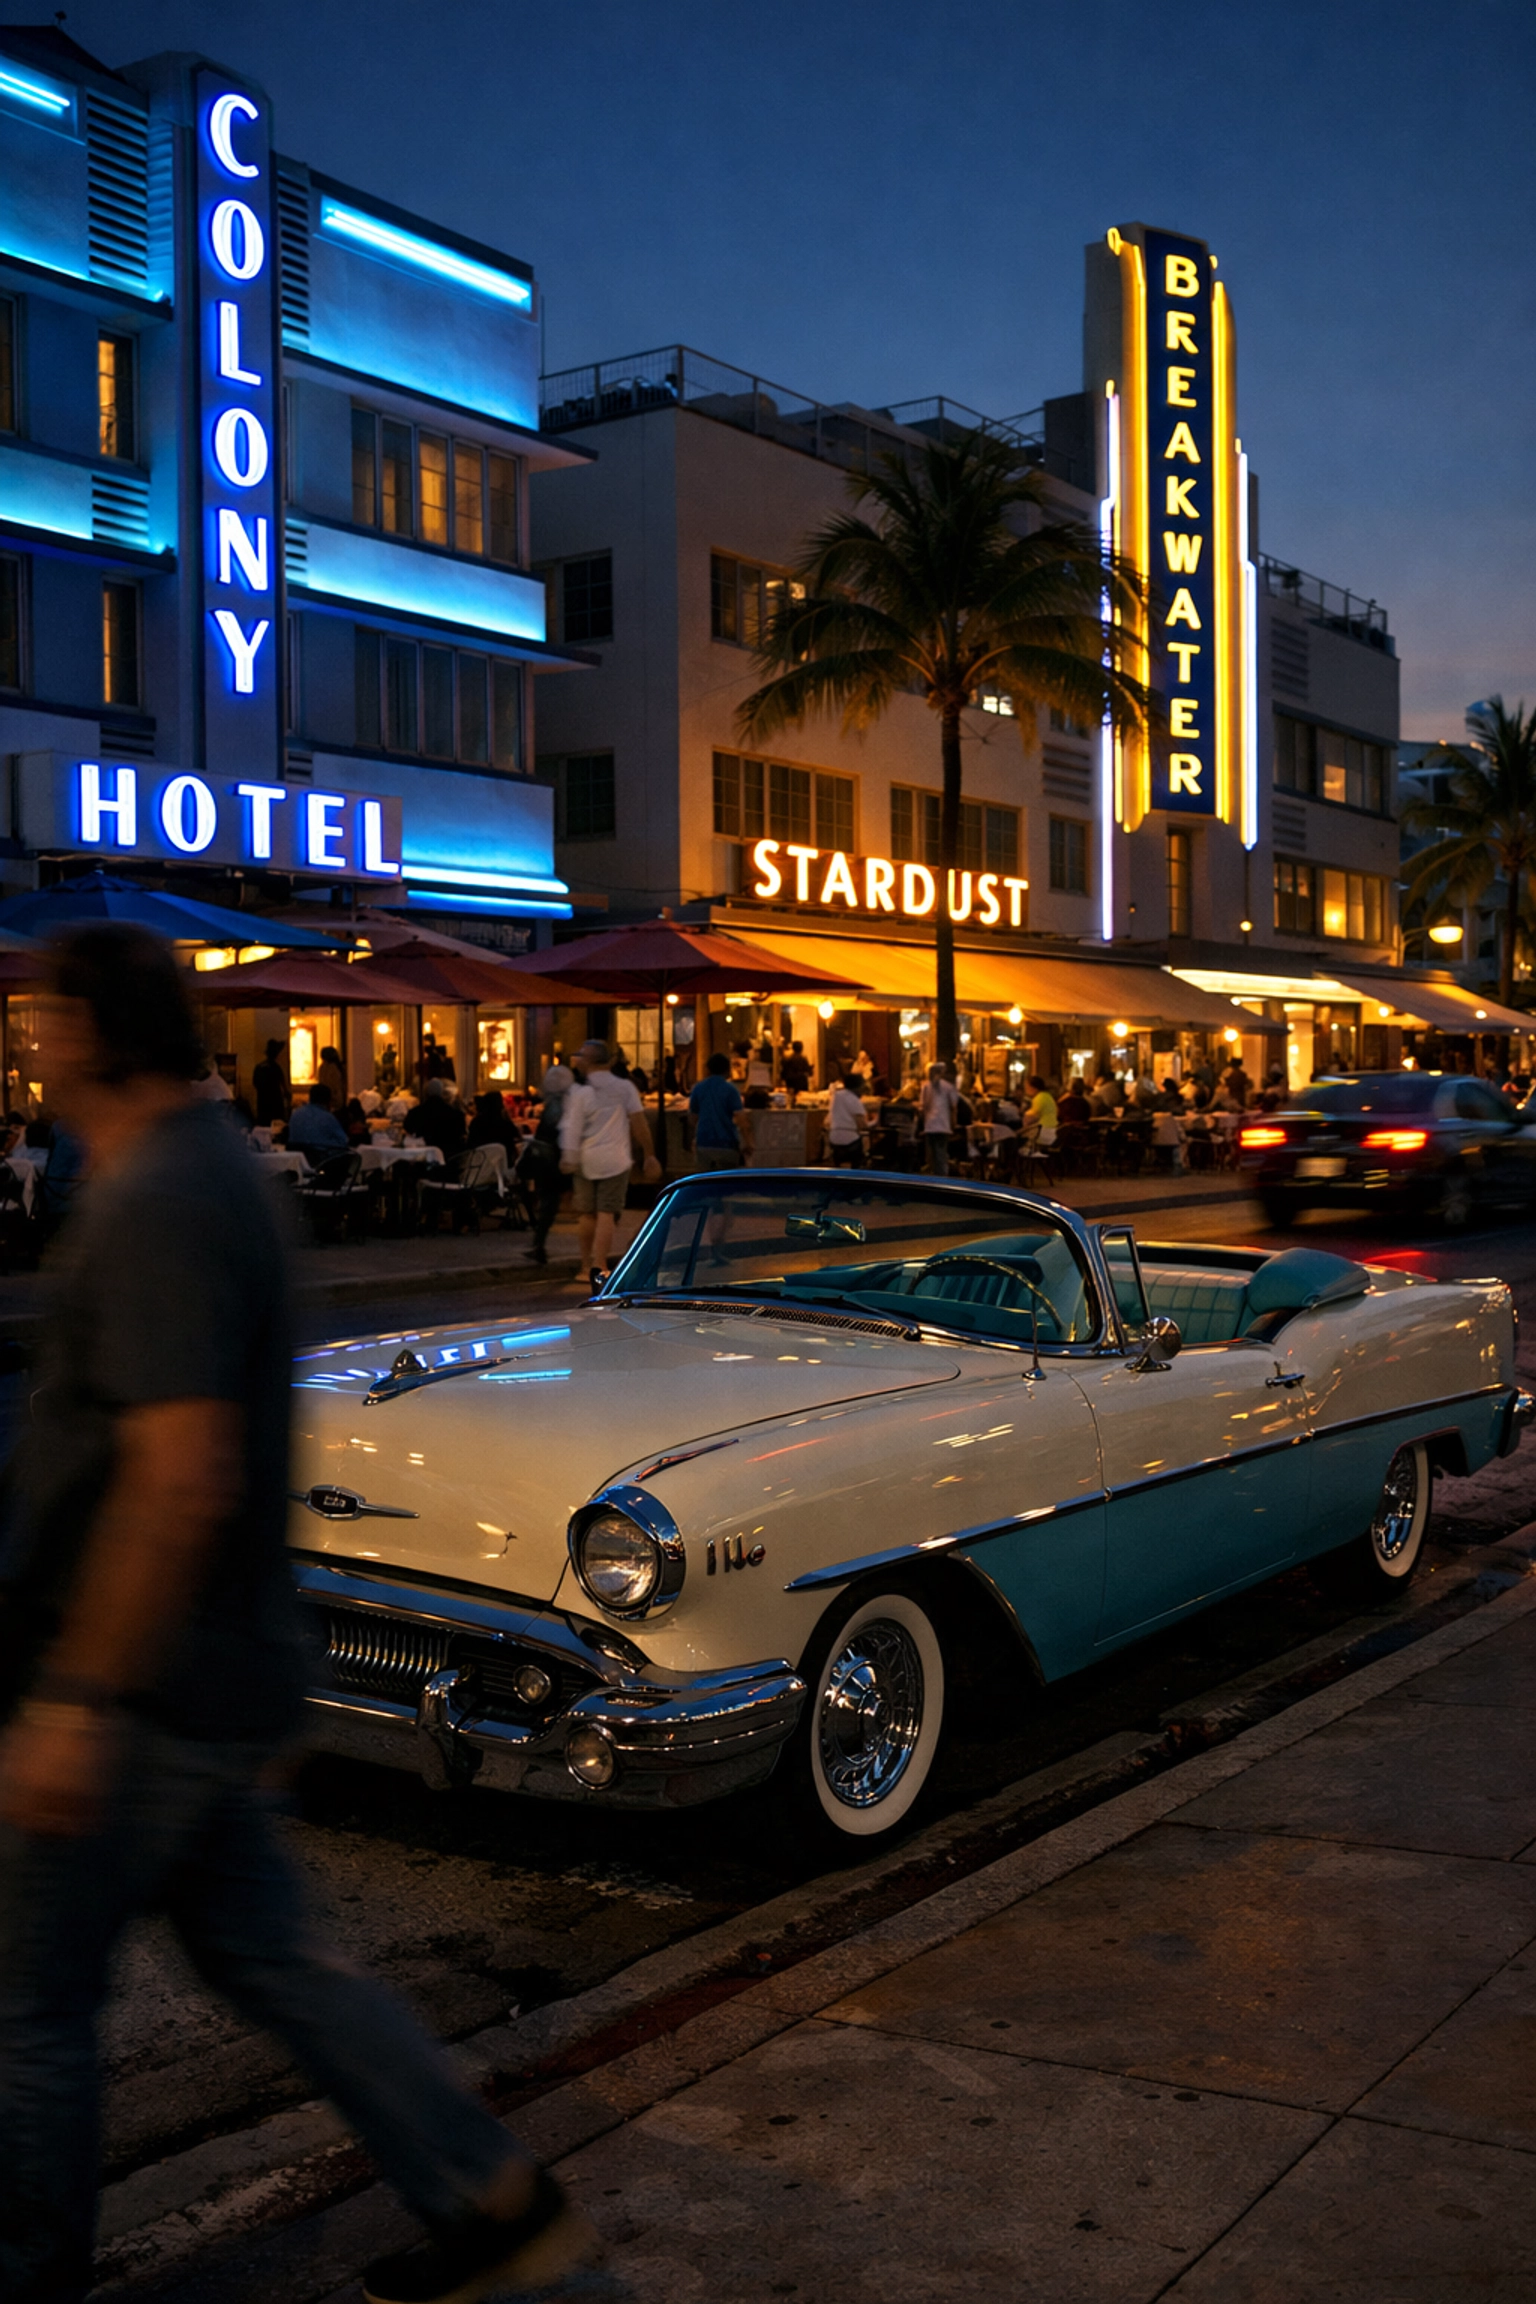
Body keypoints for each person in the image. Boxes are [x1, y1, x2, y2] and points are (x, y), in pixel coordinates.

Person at [0, 924, 597, 2304]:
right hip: (213, 1668)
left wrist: (78, 1699)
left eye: (41, 1019)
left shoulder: (157, 1196)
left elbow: (178, 1468)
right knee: (283, 1967)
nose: (29, 1042)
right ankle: (497, 2208)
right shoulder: (209, 1172)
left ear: (93, 1031)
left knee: (32, 2005)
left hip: (141, 1684)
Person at [560, 1039, 659, 1289]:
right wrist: (649, 1154)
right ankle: (599, 1266)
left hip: (585, 1158)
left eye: (581, 1057)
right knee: (607, 1212)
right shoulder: (625, 1088)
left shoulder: (579, 1091)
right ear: (610, 1061)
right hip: (615, 1158)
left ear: (588, 1061)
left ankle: (584, 1266)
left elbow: (572, 1127)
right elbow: (639, 1122)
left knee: (586, 1213)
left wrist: (568, 1155)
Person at [518, 1064, 571, 1265]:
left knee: (548, 1203)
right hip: (555, 1159)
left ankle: (538, 1244)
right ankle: (538, 1244)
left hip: (548, 1161)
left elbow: (549, 1133)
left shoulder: (554, 1106)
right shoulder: (565, 1103)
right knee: (550, 1203)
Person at [688, 1051, 745, 1171]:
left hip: (703, 1143)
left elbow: (692, 1117)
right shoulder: (731, 1090)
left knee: (704, 1183)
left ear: (708, 1069)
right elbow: (740, 1118)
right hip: (728, 1144)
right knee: (726, 1183)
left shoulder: (698, 1088)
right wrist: (747, 1141)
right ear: (727, 1070)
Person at [286, 1082, 350, 1159]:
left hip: (298, 1160)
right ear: (328, 1101)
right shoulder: (327, 1118)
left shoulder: (296, 1114)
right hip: (321, 1160)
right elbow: (343, 1141)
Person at [411, 1079, 468, 1160]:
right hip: (452, 1159)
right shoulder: (456, 1115)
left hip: (423, 1158)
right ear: (441, 1092)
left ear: (426, 1093)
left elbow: (408, 1131)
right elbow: (461, 1134)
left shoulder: (416, 1113)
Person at [919, 1062, 959, 1174]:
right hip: (943, 1126)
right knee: (941, 1155)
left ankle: (933, 1177)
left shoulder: (925, 1087)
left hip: (930, 1126)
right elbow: (953, 1107)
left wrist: (922, 1124)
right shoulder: (949, 1087)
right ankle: (942, 1178)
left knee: (931, 1156)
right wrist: (953, 1124)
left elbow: (922, 1108)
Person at [827, 1072, 870, 1167]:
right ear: (858, 1087)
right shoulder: (854, 1100)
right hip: (850, 1140)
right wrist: (874, 1122)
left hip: (834, 1137)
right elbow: (863, 1125)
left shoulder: (836, 1096)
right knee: (863, 1148)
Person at [467, 1091, 519, 1157]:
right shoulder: (505, 1122)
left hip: (481, 1162)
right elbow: (516, 1138)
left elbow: (470, 1144)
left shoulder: (477, 1122)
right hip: (504, 1162)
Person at [251, 1038, 288, 1127]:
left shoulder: (259, 1067)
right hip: (275, 1103)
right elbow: (283, 1085)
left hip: (263, 1102)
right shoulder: (276, 1067)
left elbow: (255, 1083)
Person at [1026, 1074, 1058, 1147]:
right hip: (1053, 1131)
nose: (1026, 1090)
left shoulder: (1039, 1098)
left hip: (1043, 1132)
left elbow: (1031, 1118)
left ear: (1034, 1088)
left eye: (1028, 1087)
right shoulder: (1048, 1096)